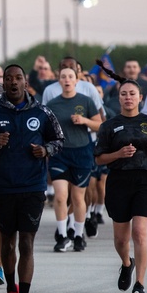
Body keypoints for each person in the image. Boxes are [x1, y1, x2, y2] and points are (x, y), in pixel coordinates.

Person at [0, 65, 64, 293]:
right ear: (3, 83)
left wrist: (45, 150)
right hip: (3, 187)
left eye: (18, 78)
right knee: (8, 243)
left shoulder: (42, 112)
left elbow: (59, 140)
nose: (13, 82)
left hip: (33, 187)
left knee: (27, 243)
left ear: (26, 82)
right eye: (9, 78)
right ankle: (11, 289)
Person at [94, 79, 147, 293]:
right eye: (124, 94)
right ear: (119, 97)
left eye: (132, 94)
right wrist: (118, 154)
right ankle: (126, 262)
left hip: (146, 180)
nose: (128, 97)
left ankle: (140, 284)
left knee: (140, 232)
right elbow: (99, 159)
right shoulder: (109, 126)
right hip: (119, 181)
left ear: (140, 98)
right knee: (121, 240)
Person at [45, 67, 102, 253]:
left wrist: (85, 121)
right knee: (61, 196)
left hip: (82, 153)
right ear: (59, 80)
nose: (67, 80)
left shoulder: (85, 101)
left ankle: (78, 235)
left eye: (71, 77)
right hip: (59, 154)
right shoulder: (52, 104)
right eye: (63, 77)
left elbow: (100, 125)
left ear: (77, 80)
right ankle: (62, 236)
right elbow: (45, 129)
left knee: (78, 197)